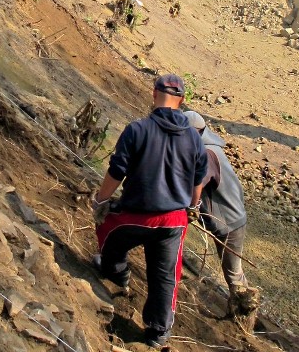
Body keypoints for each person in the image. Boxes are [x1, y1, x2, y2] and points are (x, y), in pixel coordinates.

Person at [92, 75, 208, 350]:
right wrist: (193, 207)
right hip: (173, 222)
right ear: (181, 101)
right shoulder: (194, 137)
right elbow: (198, 180)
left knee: (107, 232)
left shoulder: (137, 129)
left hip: (134, 215)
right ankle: (158, 332)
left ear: (154, 94)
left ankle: (117, 272)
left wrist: (100, 200)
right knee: (166, 275)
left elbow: (117, 171)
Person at [184, 111, 249, 300]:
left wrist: (191, 207)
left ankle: (242, 311)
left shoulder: (207, 154)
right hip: (230, 218)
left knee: (233, 274)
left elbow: (195, 185)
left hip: (230, 223)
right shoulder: (208, 148)